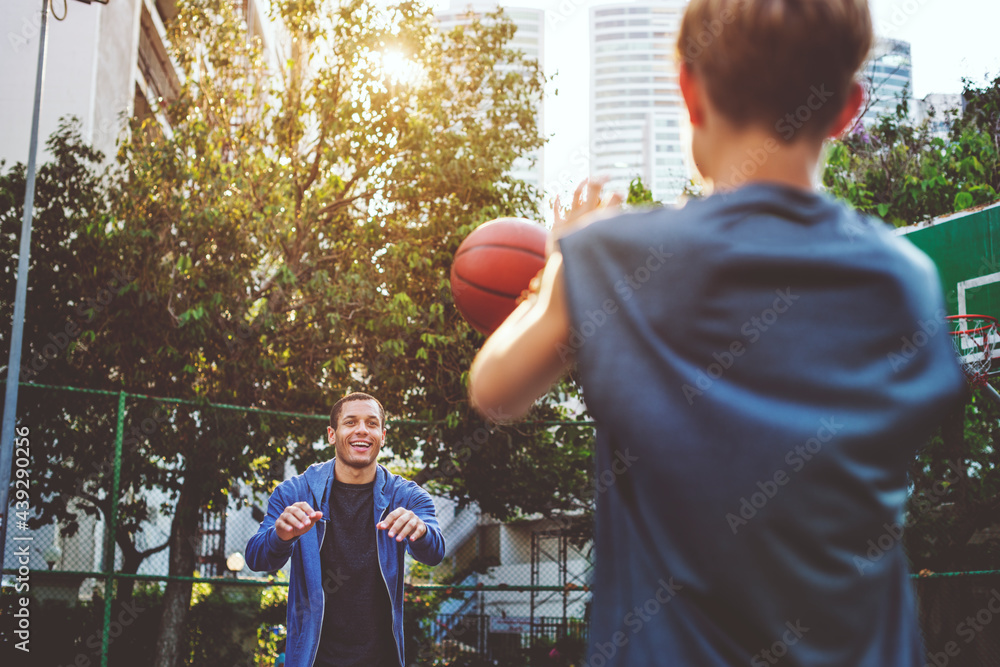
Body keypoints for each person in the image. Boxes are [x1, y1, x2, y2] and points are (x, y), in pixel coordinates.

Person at [468, 1, 966, 665]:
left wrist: (563, 258)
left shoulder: (616, 261)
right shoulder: (906, 280)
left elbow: (494, 388)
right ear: (848, 109)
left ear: (687, 89)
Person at [246, 392, 445, 667]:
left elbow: (435, 553)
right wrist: (279, 536)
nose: (362, 430)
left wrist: (421, 531)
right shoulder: (294, 492)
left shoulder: (408, 497)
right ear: (332, 434)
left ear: (383, 436)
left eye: (371, 423)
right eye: (350, 422)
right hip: (313, 659)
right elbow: (256, 558)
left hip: (381, 659)